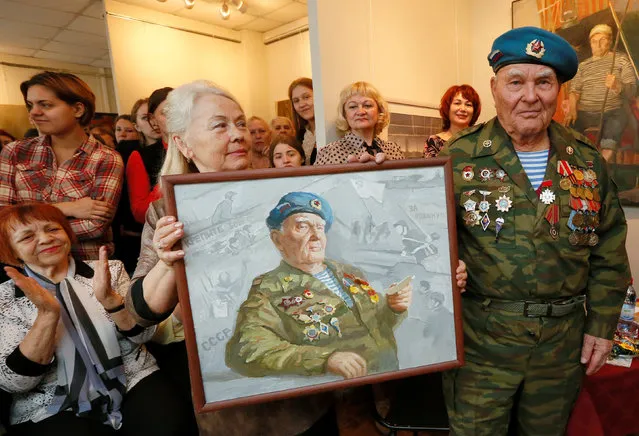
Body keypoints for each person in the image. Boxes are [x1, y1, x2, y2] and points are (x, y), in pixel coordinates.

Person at [439, 26, 631, 435]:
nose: (530, 96)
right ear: (494, 88)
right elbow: (427, 240)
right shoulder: (457, 157)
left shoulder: (586, 158)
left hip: (561, 347)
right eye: (516, 82)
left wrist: (601, 326)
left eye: (544, 82)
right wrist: (443, 266)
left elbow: (609, 248)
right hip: (482, 344)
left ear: (558, 90)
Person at [0, 203, 193, 435]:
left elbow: (144, 335)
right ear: (11, 251)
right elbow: (15, 383)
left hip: (130, 376)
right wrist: (47, 316)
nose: (45, 239)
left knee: (169, 424)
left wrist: (112, 302)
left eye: (52, 229)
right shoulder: (5, 298)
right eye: (28, 237)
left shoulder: (109, 269)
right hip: (49, 403)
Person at [226, 191, 412, 378]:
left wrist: (392, 308)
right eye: (303, 226)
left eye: (320, 228)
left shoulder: (349, 274)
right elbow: (247, 350)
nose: (316, 236)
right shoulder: (269, 288)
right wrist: (324, 360)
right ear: (277, 239)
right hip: (337, 392)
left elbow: (375, 326)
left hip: (389, 376)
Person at [0, 71, 123, 260]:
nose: (34, 112)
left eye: (45, 105)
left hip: (86, 268)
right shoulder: (15, 151)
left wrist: (24, 231)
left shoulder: (105, 158)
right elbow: (3, 218)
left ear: (78, 109)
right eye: (30, 105)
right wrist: (67, 208)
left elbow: (95, 226)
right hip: (27, 269)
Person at [565, 24, 636, 161]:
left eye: (602, 40)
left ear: (609, 42)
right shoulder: (583, 66)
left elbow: (632, 91)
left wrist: (617, 86)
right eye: (594, 41)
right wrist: (573, 108)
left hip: (613, 111)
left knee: (614, 127)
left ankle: (602, 167)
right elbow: (574, 90)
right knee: (568, 133)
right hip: (585, 112)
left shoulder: (621, 61)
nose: (597, 44)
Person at [315, 81, 404, 165]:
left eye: (367, 105)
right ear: (345, 114)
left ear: (379, 111)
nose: (361, 112)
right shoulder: (330, 152)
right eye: (353, 106)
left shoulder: (393, 149)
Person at [126, 88, 172, 224]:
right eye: (167, 112)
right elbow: (140, 212)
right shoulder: (141, 156)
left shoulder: (201, 148)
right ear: (153, 119)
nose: (176, 117)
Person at [423, 84, 481, 158]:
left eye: (468, 105)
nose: (463, 109)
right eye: (457, 103)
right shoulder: (433, 142)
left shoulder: (481, 140)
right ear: (448, 108)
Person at [289, 77, 317, 164]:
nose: (301, 104)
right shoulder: (300, 135)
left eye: (306, 97)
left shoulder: (332, 130)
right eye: (296, 101)